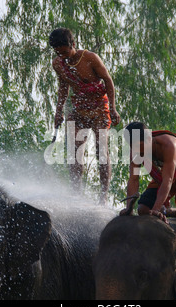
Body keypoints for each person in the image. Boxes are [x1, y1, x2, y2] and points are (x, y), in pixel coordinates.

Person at [49, 28, 121, 205]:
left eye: (65, 51)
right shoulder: (58, 63)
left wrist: (113, 108)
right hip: (79, 107)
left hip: (99, 107)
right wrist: (58, 112)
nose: (62, 56)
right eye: (58, 53)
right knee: (74, 151)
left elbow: (108, 80)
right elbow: (63, 88)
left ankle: (103, 196)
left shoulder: (90, 58)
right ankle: (76, 193)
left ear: (73, 45)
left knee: (101, 150)